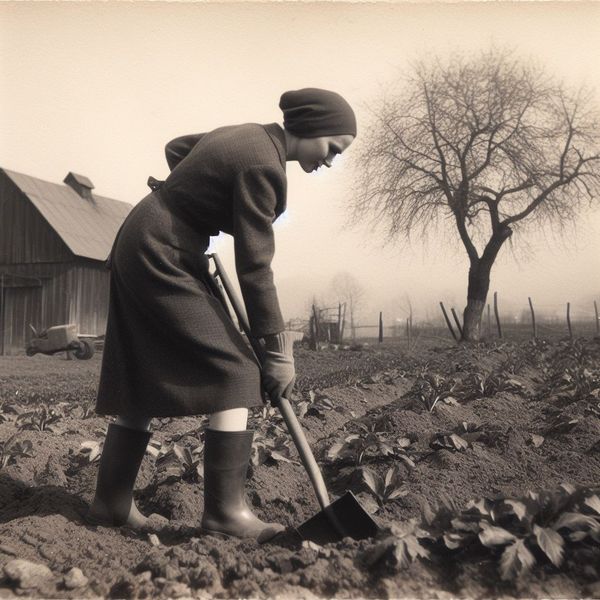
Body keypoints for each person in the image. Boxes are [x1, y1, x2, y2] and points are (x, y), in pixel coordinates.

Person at [85, 88, 356, 543]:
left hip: (145, 235)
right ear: (310, 128)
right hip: (162, 249)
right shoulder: (263, 165)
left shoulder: (247, 135)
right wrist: (276, 348)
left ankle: (111, 503)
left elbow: (179, 149)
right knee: (237, 369)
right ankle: (225, 513)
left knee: (140, 368)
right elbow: (255, 266)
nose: (329, 161)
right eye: (332, 149)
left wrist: (195, 205)